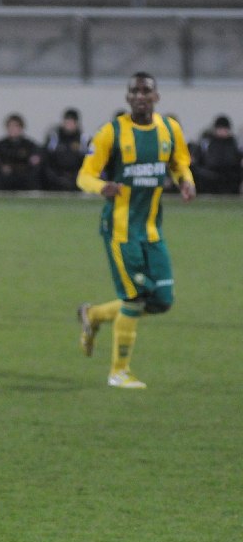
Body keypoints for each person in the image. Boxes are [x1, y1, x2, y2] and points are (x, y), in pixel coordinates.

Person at [76, 72, 196, 388]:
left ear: (156, 97)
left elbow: (180, 161)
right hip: (120, 232)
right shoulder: (111, 133)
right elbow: (84, 176)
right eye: (135, 91)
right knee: (134, 298)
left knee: (162, 300)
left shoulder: (170, 129)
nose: (141, 96)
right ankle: (119, 372)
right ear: (128, 98)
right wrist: (102, 187)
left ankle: (95, 315)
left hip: (152, 232)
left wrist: (186, 182)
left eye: (147, 91)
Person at [190, 115, 242, 195]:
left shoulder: (233, 143)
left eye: (225, 129)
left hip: (229, 175)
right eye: (220, 128)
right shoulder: (206, 142)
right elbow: (198, 158)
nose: (222, 131)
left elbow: (237, 159)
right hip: (209, 174)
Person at [42, 108, 89, 191]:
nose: (69, 125)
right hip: (56, 177)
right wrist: (56, 177)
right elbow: (47, 158)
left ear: (76, 123)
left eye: (72, 122)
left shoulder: (83, 140)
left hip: (76, 177)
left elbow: (87, 160)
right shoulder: (54, 138)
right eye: (67, 122)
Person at [0, 112, 41, 191]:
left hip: (24, 177)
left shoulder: (30, 145)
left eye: (16, 126)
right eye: (10, 126)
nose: (13, 129)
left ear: (21, 128)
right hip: (5, 177)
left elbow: (35, 160)